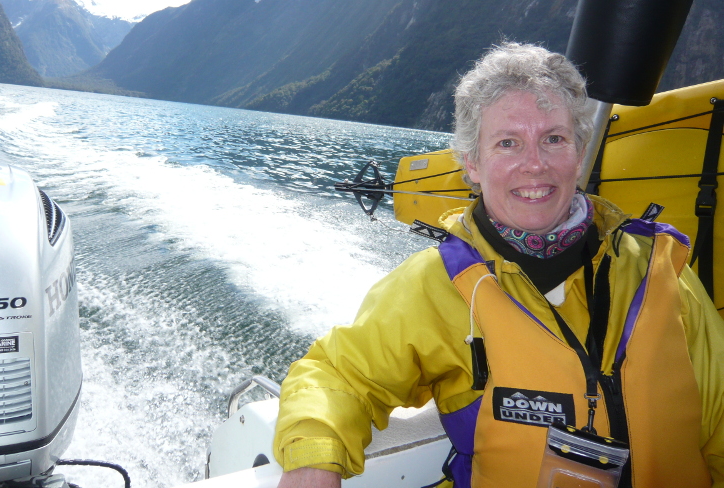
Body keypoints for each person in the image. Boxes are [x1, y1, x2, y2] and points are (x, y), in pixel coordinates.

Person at [273, 42, 724, 488]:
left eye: (553, 139)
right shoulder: (437, 284)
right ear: (472, 163)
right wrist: (314, 460)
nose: (534, 164)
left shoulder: (661, 269)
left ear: (579, 152)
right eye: (508, 143)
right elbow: (338, 375)